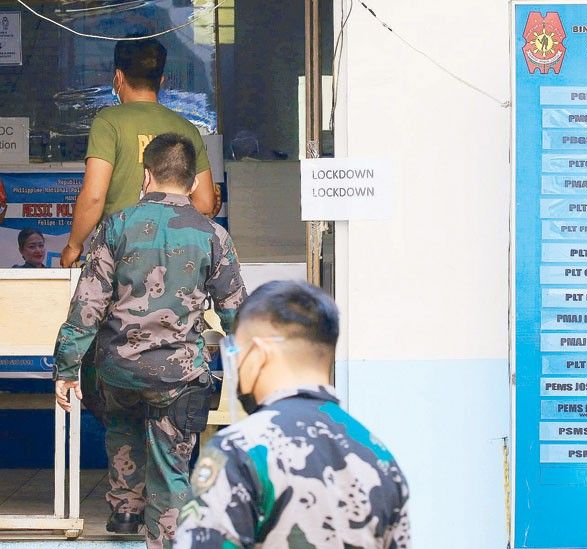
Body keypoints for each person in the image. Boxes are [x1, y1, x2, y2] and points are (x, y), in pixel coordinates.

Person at [53, 134, 246, 549]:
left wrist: (66, 368)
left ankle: (125, 510)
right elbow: (236, 316)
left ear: (146, 175)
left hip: (118, 371)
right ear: (194, 181)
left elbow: (87, 306)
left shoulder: (116, 225)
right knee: (170, 469)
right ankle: (166, 538)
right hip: (178, 377)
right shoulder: (213, 235)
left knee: (122, 429)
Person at [175, 281, 411, 549]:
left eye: (236, 353)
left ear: (259, 354)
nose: (236, 366)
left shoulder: (239, 449)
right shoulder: (378, 456)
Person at [59, 37, 216, 268]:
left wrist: (73, 246)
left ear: (118, 77)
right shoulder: (186, 129)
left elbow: (93, 197)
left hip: (118, 254)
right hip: (172, 255)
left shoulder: (108, 122)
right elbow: (205, 202)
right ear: (161, 81)